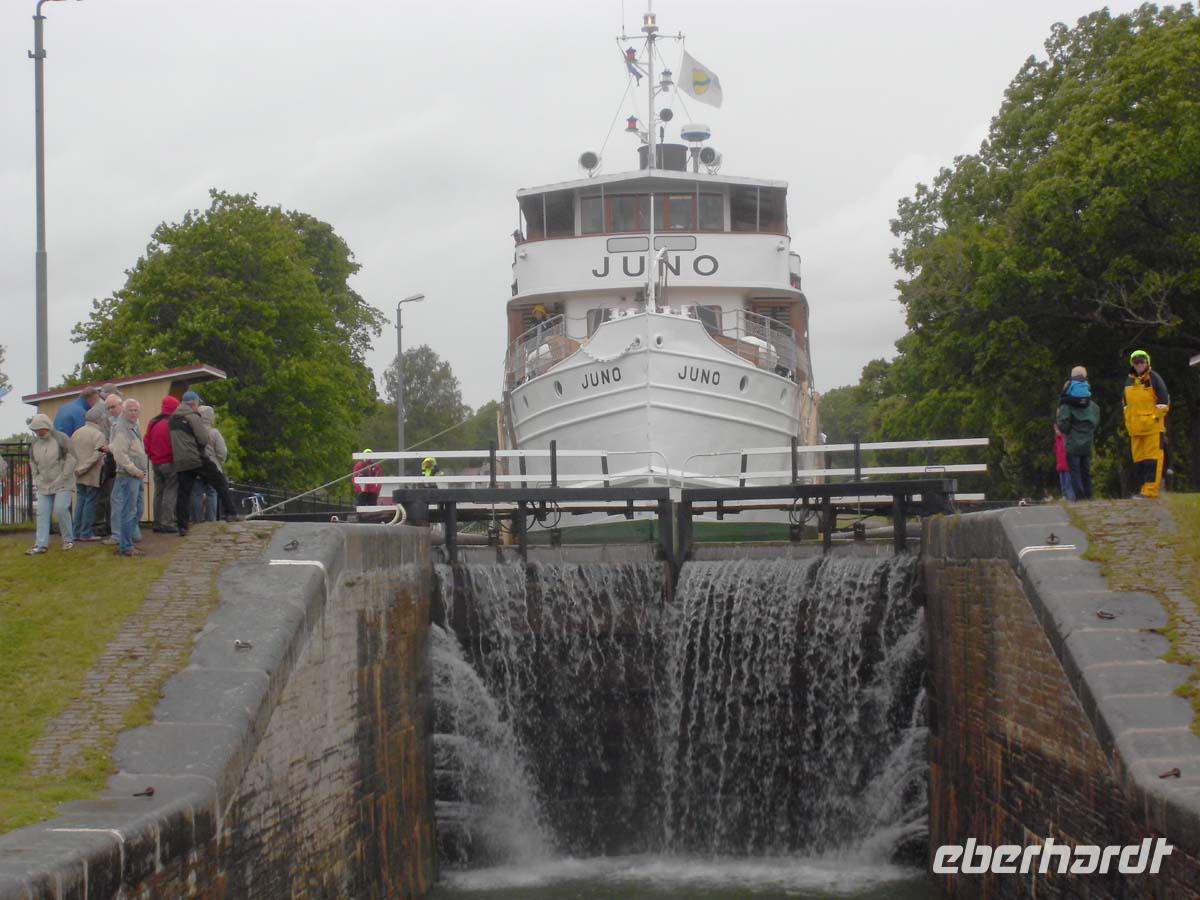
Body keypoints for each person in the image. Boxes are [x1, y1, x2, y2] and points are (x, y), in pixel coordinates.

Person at [169, 390, 239, 535]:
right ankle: (231, 512)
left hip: (181, 460)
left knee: (184, 493)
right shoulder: (192, 417)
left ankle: (182, 526)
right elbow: (203, 438)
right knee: (219, 481)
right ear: (194, 403)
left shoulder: (173, 419)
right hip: (196, 458)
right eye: (197, 403)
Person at [26, 413, 76, 554]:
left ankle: (68, 540)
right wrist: (36, 476)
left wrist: (63, 477)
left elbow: (71, 459)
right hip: (43, 484)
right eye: (36, 430)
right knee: (42, 513)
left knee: (61, 509)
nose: (39, 432)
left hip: (63, 482)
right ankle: (40, 544)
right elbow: (32, 461)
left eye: (41, 429)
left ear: (48, 426)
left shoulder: (61, 439)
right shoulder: (35, 443)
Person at [1123, 350, 1170, 498]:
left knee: (1153, 460)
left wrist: (1154, 418)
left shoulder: (1154, 378)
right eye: (1136, 363)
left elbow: (1164, 402)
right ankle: (1143, 489)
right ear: (1132, 364)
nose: (1139, 365)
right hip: (1135, 430)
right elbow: (1125, 406)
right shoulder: (1128, 381)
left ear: (1147, 362)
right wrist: (1128, 423)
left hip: (1152, 429)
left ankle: (1150, 491)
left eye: (1142, 362)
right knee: (1139, 462)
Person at [110, 398, 149, 557]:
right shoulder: (122, 429)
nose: (133, 413)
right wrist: (134, 470)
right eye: (130, 410)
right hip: (128, 475)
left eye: (135, 410)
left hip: (137, 474)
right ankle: (126, 546)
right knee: (129, 510)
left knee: (137, 508)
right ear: (124, 411)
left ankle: (129, 539)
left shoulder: (134, 426)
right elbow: (119, 454)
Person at [1056, 365, 1099, 501]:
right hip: (1087, 442)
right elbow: (1095, 421)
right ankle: (1089, 495)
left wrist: (1068, 430)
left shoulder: (1066, 402)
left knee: (1075, 471)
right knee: (1086, 470)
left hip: (1072, 443)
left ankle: (1080, 498)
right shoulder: (1091, 404)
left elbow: (1063, 425)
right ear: (1085, 378)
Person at [144, 395, 180, 533]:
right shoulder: (172, 423)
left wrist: (151, 455)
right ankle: (167, 522)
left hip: (155, 461)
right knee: (170, 491)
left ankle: (157, 522)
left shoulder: (153, 421)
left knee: (158, 492)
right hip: (169, 462)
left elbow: (146, 440)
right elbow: (175, 444)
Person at [70, 414, 108, 541]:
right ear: (98, 420)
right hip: (91, 474)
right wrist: (84, 468)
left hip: (77, 472)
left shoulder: (76, 433)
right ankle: (86, 532)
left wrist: (77, 468)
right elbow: (97, 454)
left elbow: (71, 453)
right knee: (90, 502)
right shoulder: (98, 435)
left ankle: (76, 532)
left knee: (80, 501)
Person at [191, 405, 227, 522]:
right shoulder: (214, 433)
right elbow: (222, 451)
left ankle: (196, 519)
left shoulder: (192, 432)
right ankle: (211, 520)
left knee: (196, 493)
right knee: (211, 492)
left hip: (196, 466)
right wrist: (220, 462)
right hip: (212, 467)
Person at [1054, 429, 1074, 501]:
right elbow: (1058, 453)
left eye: (1058, 430)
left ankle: (1070, 497)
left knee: (1068, 483)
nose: (1057, 431)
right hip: (1060, 465)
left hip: (1067, 465)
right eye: (1056, 430)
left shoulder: (1065, 438)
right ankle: (1064, 496)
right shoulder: (1057, 440)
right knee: (1062, 483)